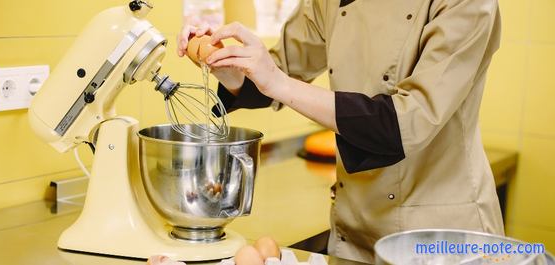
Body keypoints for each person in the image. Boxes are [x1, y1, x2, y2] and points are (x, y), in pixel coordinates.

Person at [177, 0, 503, 262]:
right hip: (354, 230)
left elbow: (404, 124)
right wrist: (224, 61)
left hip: (437, 238)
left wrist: (275, 80)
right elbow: (273, 77)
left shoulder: (468, 5)